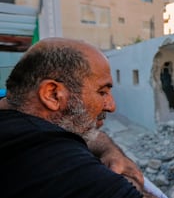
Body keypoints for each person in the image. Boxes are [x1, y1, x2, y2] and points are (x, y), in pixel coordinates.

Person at [0, 37, 156, 198]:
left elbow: (84, 134)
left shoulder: (10, 111)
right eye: (102, 92)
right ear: (53, 94)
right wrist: (134, 184)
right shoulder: (52, 158)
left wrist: (110, 150)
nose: (111, 106)